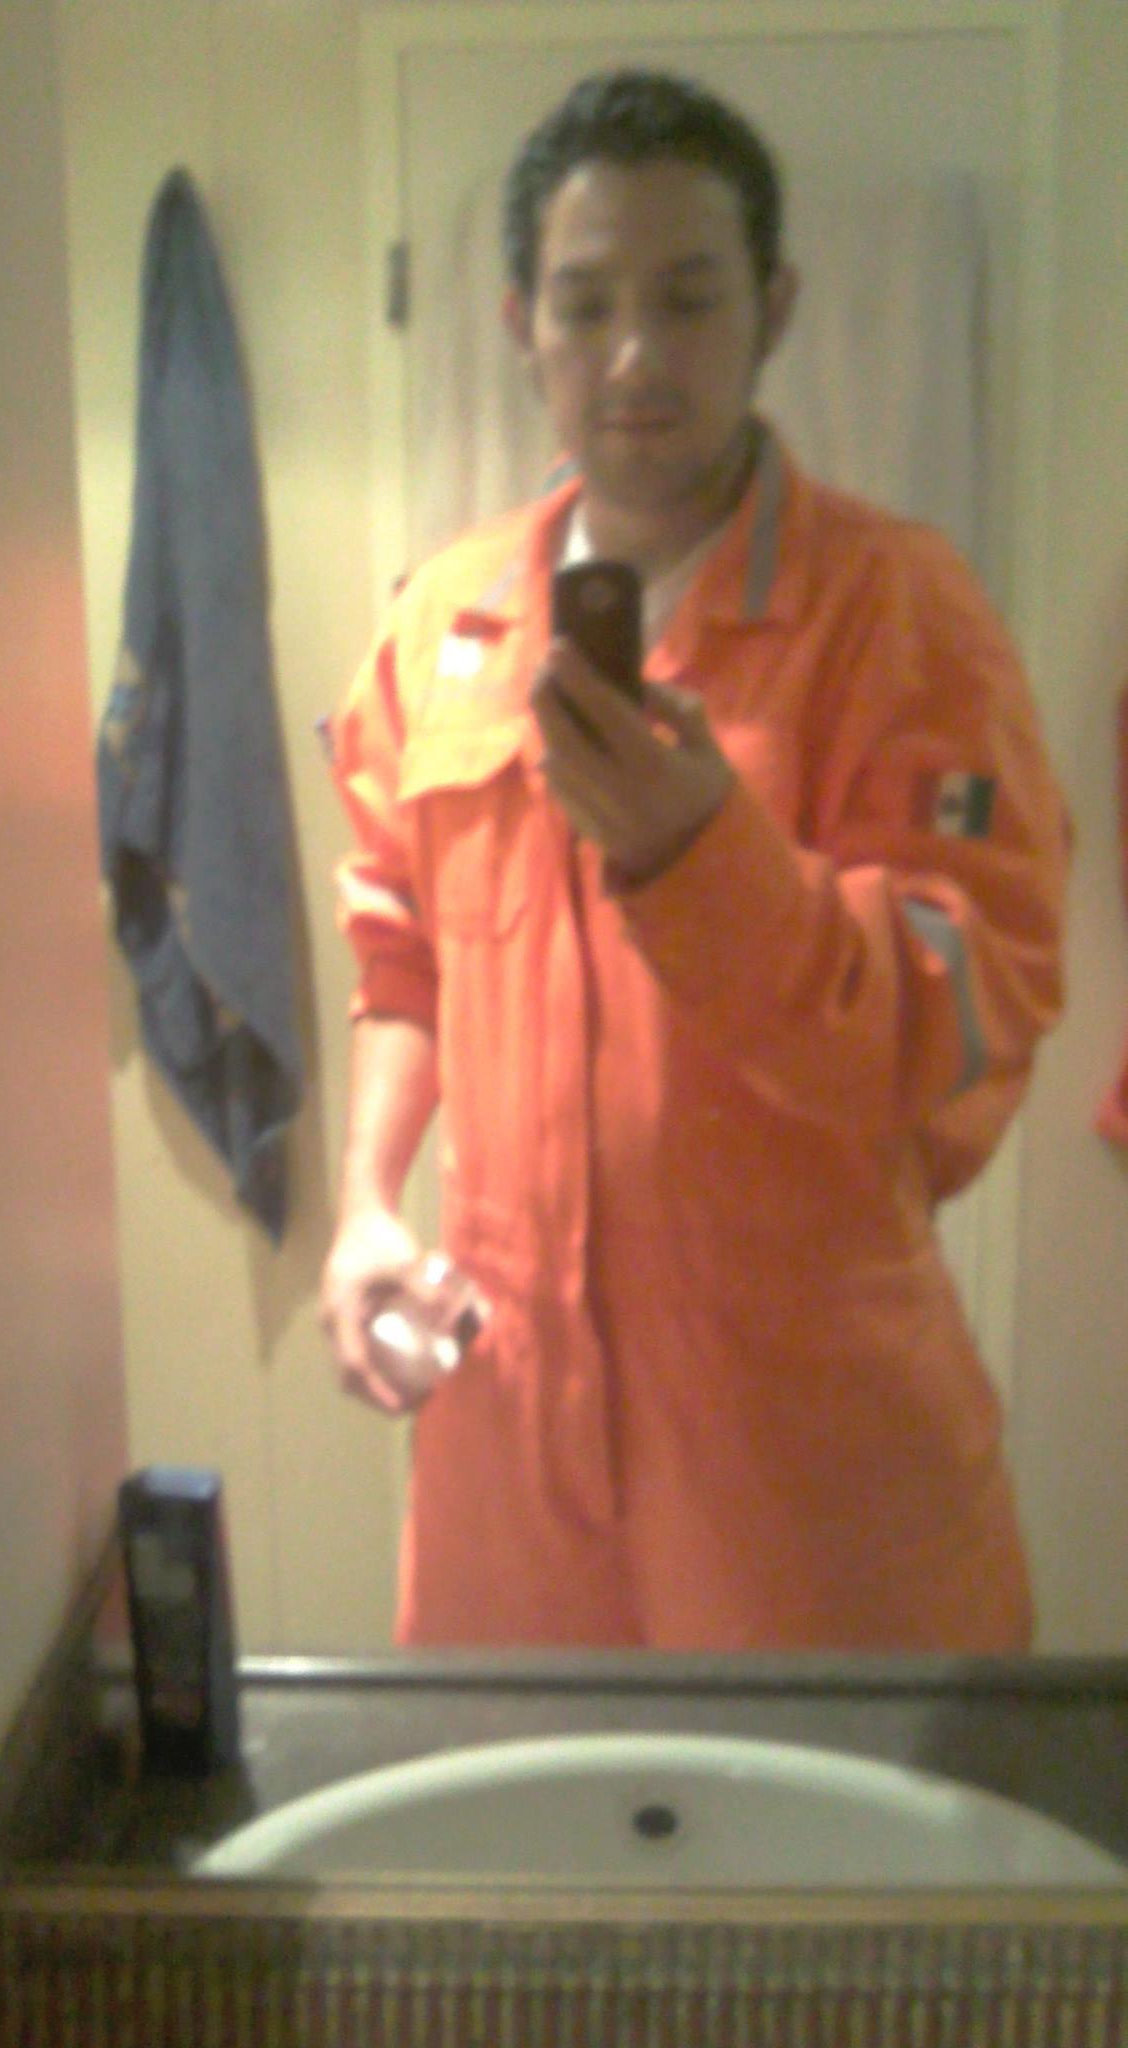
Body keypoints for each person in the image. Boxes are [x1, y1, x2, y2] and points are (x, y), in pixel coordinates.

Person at [319, 70, 1069, 1653]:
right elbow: (400, 952)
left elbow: (969, 1020)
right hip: (507, 1453)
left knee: (841, 1822)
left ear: (772, 308)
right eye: (585, 304)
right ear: (521, 324)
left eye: (688, 297)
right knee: (519, 1815)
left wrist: (700, 858)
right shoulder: (444, 621)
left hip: (813, 1460)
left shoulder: (904, 615)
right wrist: (368, 1204)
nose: (635, 356)